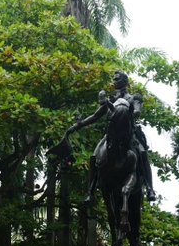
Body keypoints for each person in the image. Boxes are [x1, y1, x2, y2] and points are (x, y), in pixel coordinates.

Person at [66, 71, 155, 202]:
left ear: (125, 81)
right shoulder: (110, 100)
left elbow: (137, 112)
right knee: (94, 157)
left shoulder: (133, 98)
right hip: (110, 135)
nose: (114, 81)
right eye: (113, 79)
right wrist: (77, 125)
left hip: (130, 135)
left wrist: (132, 111)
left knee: (142, 153)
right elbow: (95, 116)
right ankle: (90, 191)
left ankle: (149, 188)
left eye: (117, 79)